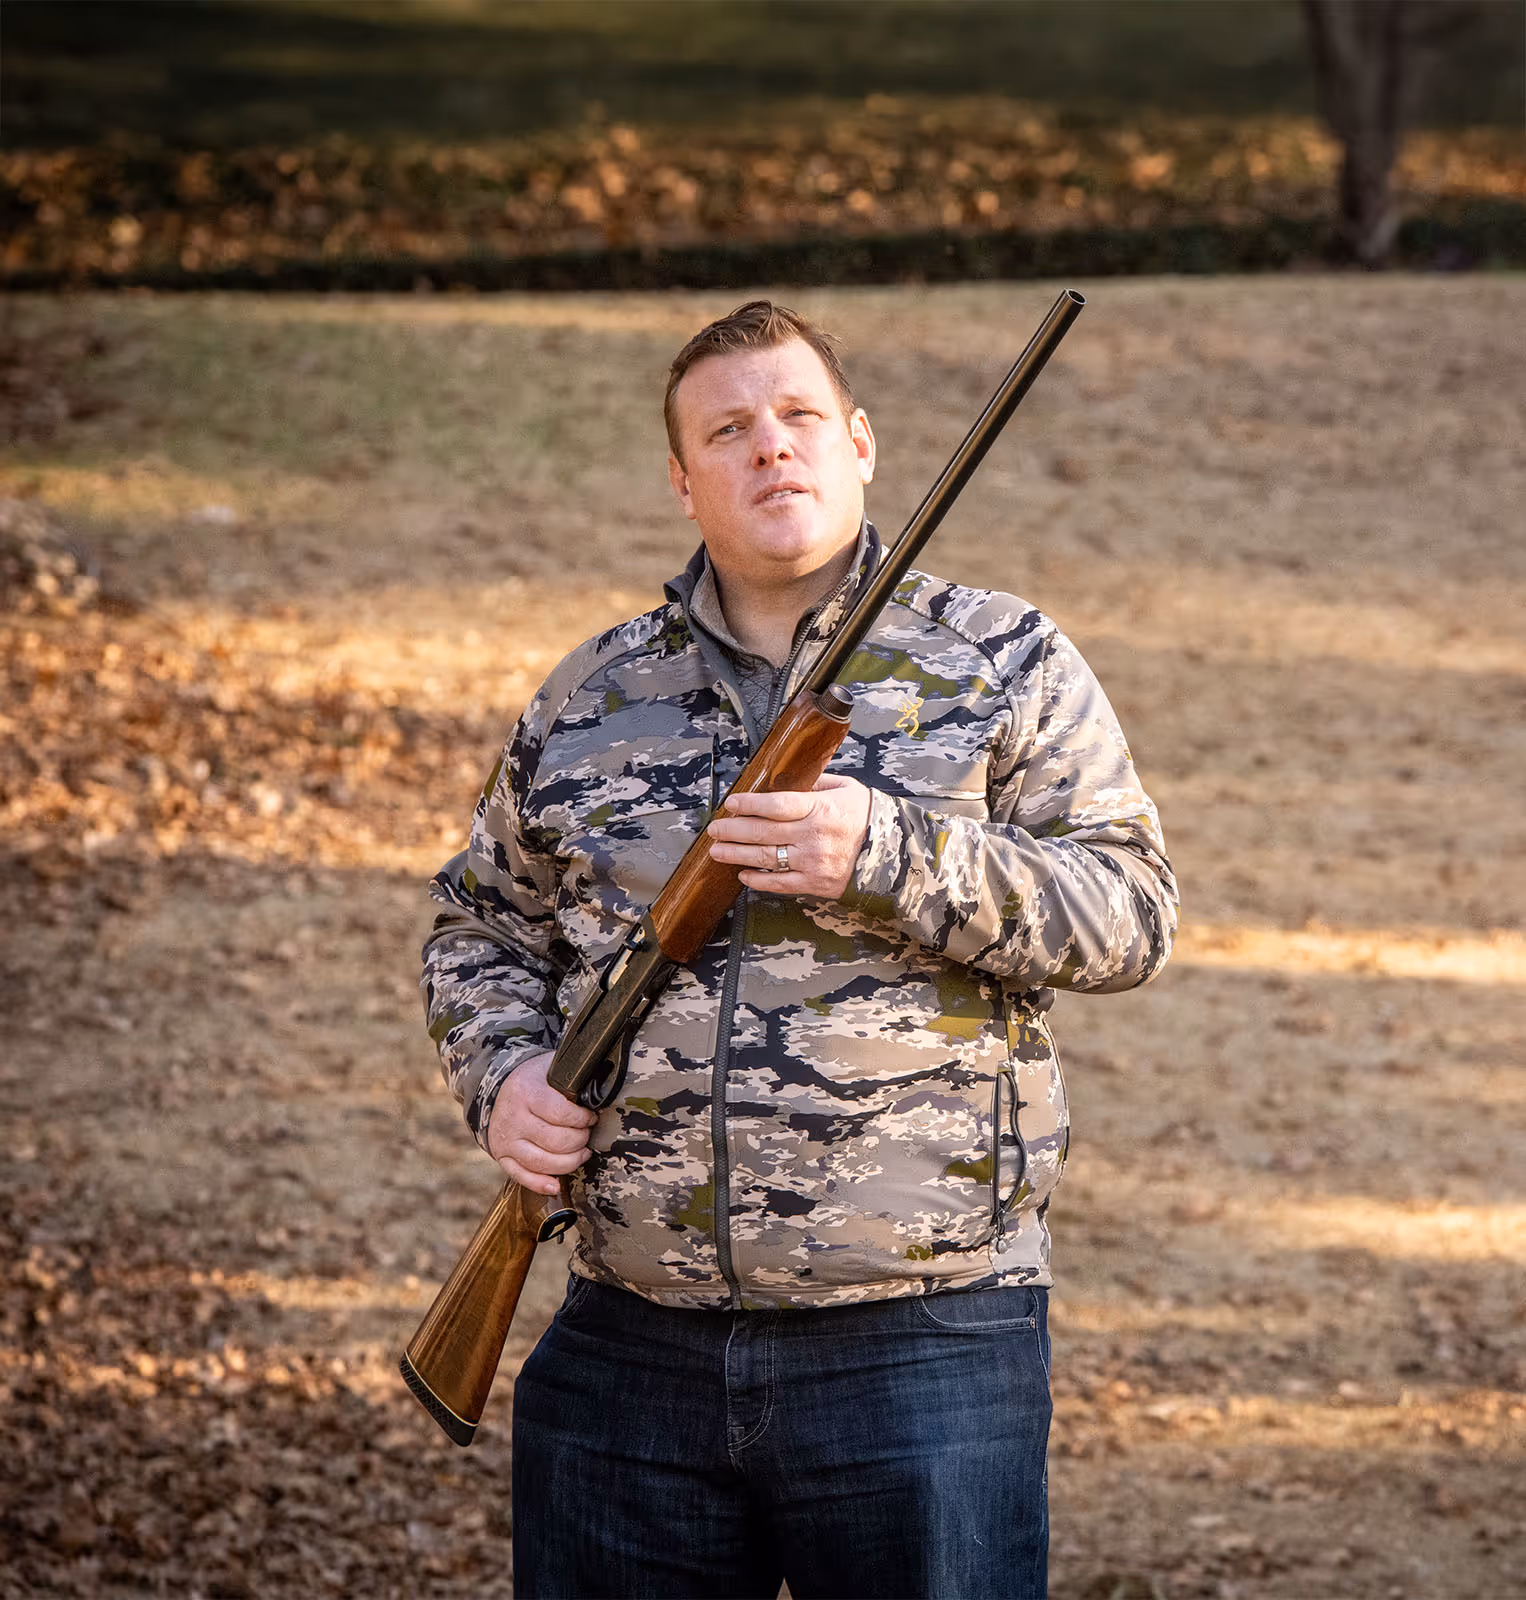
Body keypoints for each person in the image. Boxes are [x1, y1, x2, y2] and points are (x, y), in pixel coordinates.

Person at [421, 299, 1177, 1599]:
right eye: (727, 428)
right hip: (628, 1347)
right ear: (681, 476)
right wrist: (508, 1076)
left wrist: (885, 857)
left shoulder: (999, 657)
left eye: (798, 416)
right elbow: (479, 920)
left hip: (924, 1341)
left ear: (861, 442)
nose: (769, 447)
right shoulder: (591, 694)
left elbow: (1128, 911)